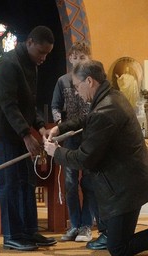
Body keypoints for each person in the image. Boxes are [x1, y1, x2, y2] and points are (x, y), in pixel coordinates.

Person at [44, 59, 148, 256]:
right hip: (125, 182)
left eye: (76, 86)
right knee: (113, 235)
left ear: (89, 81)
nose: (75, 91)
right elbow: (87, 119)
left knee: (119, 248)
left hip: (127, 189)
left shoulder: (106, 109)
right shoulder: (110, 97)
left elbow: (85, 159)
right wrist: (60, 127)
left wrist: (56, 152)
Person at [0, 25, 57, 251]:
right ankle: (12, 235)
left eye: (47, 54)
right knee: (10, 183)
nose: (43, 58)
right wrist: (27, 135)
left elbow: (28, 103)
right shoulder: (7, 64)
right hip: (4, 132)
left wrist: (40, 126)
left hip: (18, 130)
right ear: (30, 43)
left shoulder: (31, 64)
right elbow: (9, 104)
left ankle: (29, 231)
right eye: (41, 53)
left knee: (27, 180)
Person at [51, 41, 94, 243]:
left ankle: (86, 226)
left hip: (89, 138)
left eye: (82, 57)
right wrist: (61, 124)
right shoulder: (62, 81)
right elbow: (55, 106)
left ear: (89, 59)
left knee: (88, 182)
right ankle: (74, 224)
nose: (78, 61)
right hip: (69, 139)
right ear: (69, 58)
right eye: (75, 57)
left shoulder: (92, 81)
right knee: (70, 183)